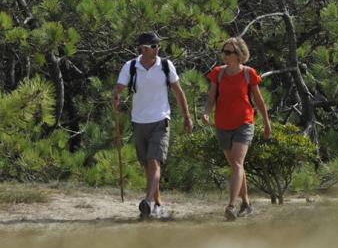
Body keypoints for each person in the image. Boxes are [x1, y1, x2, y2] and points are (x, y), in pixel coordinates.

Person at [112, 32, 193, 219]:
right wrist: (115, 95)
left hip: (161, 120)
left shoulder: (165, 65)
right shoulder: (131, 66)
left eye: (158, 46)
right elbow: (119, 88)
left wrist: (187, 117)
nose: (157, 50)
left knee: (154, 162)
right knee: (148, 167)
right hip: (138, 121)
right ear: (143, 48)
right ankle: (157, 204)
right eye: (153, 47)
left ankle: (147, 201)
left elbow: (178, 93)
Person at [202, 37, 271, 221]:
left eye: (229, 52)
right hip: (223, 124)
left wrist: (266, 123)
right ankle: (247, 203)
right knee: (235, 166)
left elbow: (258, 100)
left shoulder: (249, 74)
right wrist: (207, 113)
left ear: (239, 54)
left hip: (244, 123)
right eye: (224, 51)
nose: (225, 55)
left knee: (238, 163)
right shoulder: (218, 73)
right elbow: (211, 98)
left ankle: (231, 205)